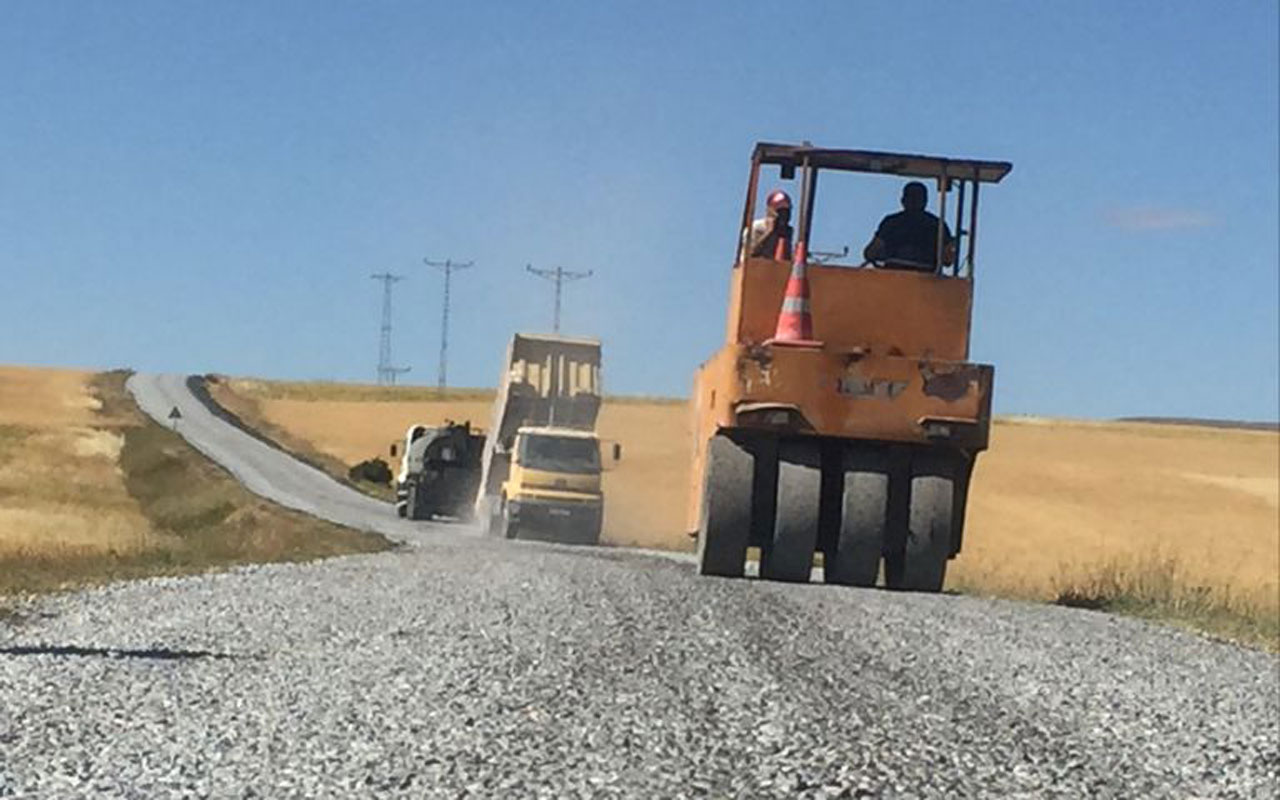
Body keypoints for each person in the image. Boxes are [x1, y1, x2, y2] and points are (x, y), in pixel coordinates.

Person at [862, 181, 955, 270]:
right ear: (925, 201)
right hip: (928, 279)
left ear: (903, 200)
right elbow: (948, 260)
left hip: (892, 278)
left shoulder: (891, 222)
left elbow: (870, 253)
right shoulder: (937, 224)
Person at [744, 189, 793, 261]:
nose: (784, 216)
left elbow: (786, 258)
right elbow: (750, 253)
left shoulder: (787, 231)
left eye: (786, 212)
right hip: (754, 268)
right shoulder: (756, 227)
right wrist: (768, 233)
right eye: (780, 211)